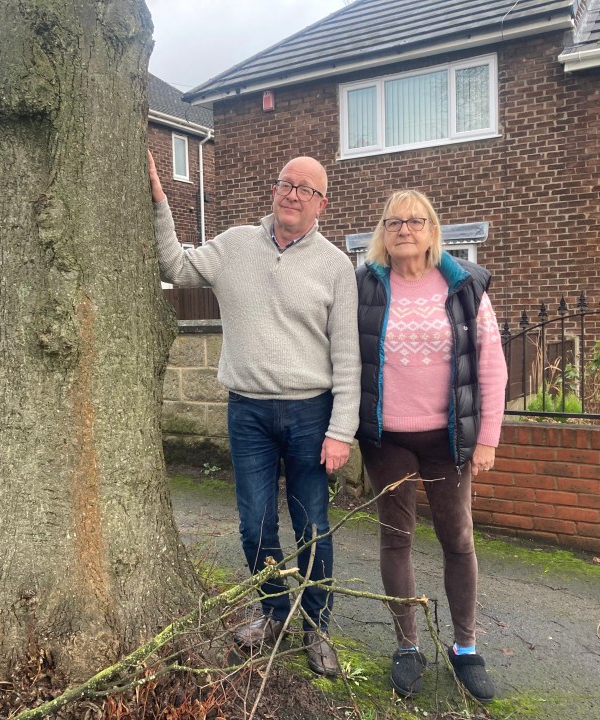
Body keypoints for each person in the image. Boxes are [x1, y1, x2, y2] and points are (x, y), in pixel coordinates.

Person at [148, 151, 360, 676]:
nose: (293, 194)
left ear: (321, 205)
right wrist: (159, 203)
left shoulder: (336, 267)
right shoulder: (235, 245)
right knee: (255, 526)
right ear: (275, 190)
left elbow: (348, 357)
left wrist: (341, 432)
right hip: (248, 414)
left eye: (306, 189)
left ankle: (316, 628)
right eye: (286, 183)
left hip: (312, 414)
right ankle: (273, 613)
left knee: (313, 526)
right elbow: (175, 266)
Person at [355, 190, 508, 702]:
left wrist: (487, 437)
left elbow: (491, 365)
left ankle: (465, 648)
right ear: (382, 231)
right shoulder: (365, 288)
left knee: (457, 538)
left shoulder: (465, 285)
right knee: (396, 538)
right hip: (387, 439)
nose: (405, 229)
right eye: (394, 222)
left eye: (415, 221)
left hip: (448, 441)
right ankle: (407, 646)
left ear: (432, 229)